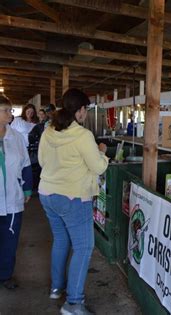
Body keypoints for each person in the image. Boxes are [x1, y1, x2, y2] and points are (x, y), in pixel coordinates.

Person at [38, 88, 109, 314]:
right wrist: (102, 152)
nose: (85, 114)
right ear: (79, 111)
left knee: (61, 240)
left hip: (47, 193)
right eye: (85, 110)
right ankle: (74, 303)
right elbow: (98, 167)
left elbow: (41, 160)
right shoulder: (82, 135)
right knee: (84, 247)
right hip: (72, 197)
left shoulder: (49, 130)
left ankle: (57, 288)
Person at [0, 94, 32, 290]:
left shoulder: (17, 137)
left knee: (10, 240)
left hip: (12, 198)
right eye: (5, 110)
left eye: (10, 110)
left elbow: (26, 165)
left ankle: (5, 275)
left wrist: (28, 189)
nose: (10, 114)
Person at [28, 104, 56, 192]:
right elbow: (32, 136)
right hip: (45, 149)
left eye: (50, 111)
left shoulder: (59, 121)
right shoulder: (43, 124)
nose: (49, 113)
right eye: (47, 112)